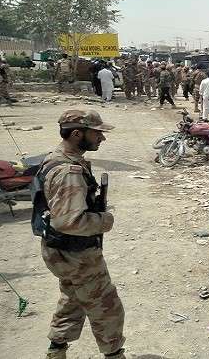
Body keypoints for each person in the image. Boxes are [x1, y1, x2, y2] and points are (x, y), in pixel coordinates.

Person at [38, 110, 126, 359]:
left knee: (73, 298)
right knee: (107, 308)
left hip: (60, 250)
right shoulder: (69, 171)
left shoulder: (56, 158)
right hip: (76, 251)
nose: (102, 138)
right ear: (77, 134)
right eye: (97, 133)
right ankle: (114, 354)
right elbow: (69, 221)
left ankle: (56, 350)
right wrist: (104, 220)